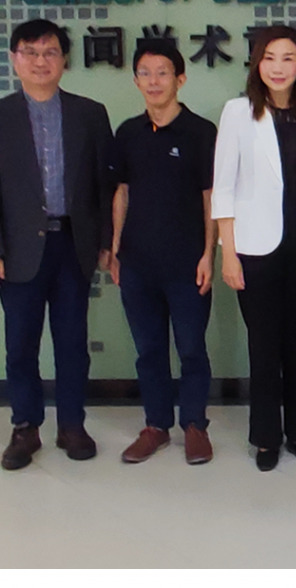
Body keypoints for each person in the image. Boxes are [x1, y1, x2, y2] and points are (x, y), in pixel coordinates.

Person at [0, 19, 114, 471]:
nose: (40, 61)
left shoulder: (90, 113)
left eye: (50, 52)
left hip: (73, 244)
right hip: (16, 251)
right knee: (20, 344)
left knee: (72, 342)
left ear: (64, 60)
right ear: (14, 60)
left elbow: (105, 186)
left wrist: (107, 243)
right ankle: (25, 428)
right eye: (29, 52)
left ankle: (72, 424)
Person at [213, 25, 296, 471]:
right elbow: (223, 187)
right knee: (264, 346)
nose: (279, 67)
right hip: (254, 250)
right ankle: (266, 438)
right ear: (257, 64)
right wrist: (228, 252)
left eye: (288, 58)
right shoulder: (238, 113)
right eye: (270, 58)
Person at [109, 39, 217, 466]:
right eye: (145, 73)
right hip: (137, 261)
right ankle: (156, 425)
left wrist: (211, 253)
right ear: (136, 80)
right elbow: (122, 192)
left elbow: (212, 198)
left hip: (188, 261)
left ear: (181, 79)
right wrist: (116, 248)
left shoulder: (201, 132)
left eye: (163, 73)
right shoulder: (128, 132)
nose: (154, 81)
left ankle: (195, 425)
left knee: (191, 348)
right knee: (148, 349)